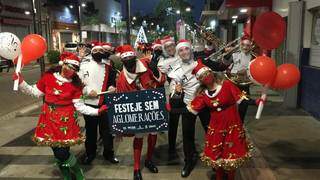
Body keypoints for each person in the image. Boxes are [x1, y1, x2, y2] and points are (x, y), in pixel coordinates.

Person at [12, 52, 107, 180]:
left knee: (63, 152)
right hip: (48, 121)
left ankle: (76, 172)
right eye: (69, 66)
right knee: (58, 153)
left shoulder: (75, 85)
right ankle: (68, 174)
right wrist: (21, 82)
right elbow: (35, 93)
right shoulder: (48, 78)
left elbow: (80, 106)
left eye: (74, 69)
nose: (70, 70)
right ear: (63, 64)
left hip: (66, 123)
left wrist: (97, 111)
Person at [187, 62, 256, 180]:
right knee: (217, 155)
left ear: (212, 73)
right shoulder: (203, 95)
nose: (206, 76)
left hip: (232, 126)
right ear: (200, 80)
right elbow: (192, 109)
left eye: (207, 73)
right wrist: (172, 109)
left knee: (231, 155)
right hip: (216, 128)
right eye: (202, 76)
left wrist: (255, 102)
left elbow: (242, 100)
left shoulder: (227, 85)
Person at [115, 45, 166, 180]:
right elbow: (121, 101)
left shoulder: (146, 64)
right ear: (122, 61)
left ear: (135, 56)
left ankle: (149, 160)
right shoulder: (121, 78)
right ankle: (136, 167)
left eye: (131, 57)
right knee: (139, 135)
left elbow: (161, 81)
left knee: (154, 132)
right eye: (126, 58)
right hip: (137, 111)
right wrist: (120, 125)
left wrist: (156, 71)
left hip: (153, 107)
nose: (129, 60)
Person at [168, 39, 210, 178]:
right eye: (181, 50)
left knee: (211, 132)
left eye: (186, 49)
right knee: (187, 135)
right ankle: (189, 161)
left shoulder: (201, 62)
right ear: (178, 53)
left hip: (205, 104)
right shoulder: (176, 70)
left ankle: (216, 158)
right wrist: (177, 91)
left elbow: (219, 69)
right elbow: (173, 88)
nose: (184, 52)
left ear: (190, 49)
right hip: (189, 106)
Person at [78, 42, 119, 165]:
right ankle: (90, 153)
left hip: (105, 103)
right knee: (90, 131)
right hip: (89, 103)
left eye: (101, 51)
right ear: (92, 52)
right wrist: (88, 91)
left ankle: (108, 153)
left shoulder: (108, 67)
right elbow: (80, 82)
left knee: (107, 131)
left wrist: (112, 86)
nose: (98, 53)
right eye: (95, 51)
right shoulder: (84, 66)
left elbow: (113, 81)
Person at [157, 36, 184, 159]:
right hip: (174, 94)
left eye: (172, 46)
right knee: (173, 123)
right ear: (164, 49)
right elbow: (159, 77)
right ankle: (172, 147)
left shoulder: (183, 56)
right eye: (167, 47)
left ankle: (190, 148)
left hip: (188, 92)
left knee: (188, 122)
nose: (170, 48)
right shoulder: (161, 61)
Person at [228, 36, 254, 122]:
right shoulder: (234, 55)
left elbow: (255, 72)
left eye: (247, 45)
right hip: (233, 82)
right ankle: (230, 122)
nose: (245, 47)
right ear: (240, 45)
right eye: (243, 45)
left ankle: (240, 123)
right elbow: (225, 66)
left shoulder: (253, 58)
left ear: (250, 46)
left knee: (244, 104)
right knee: (230, 104)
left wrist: (247, 71)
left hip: (245, 84)